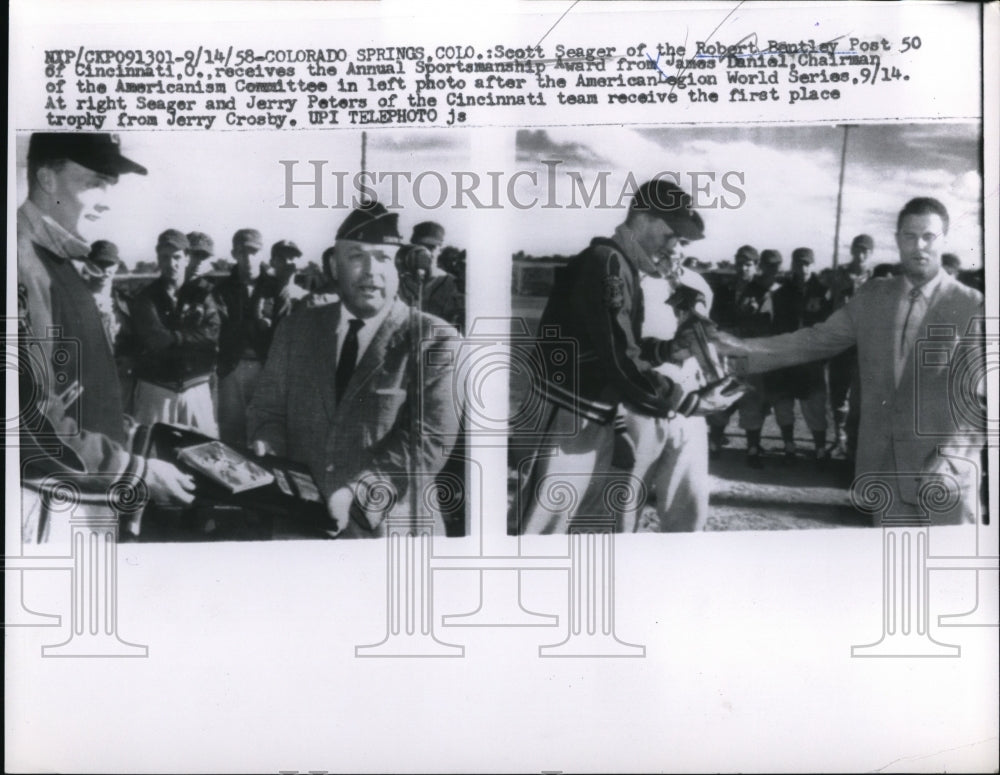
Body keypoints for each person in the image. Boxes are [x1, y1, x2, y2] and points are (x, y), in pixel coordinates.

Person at [717, 198, 985, 525]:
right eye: (909, 235)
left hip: (947, 479)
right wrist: (734, 352)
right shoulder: (873, 296)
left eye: (929, 236)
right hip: (884, 472)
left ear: (943, 239)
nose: (919, 245)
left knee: (949, 572)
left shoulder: (972, 305)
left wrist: (952, 457)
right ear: (897, 238)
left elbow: (982, 399)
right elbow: (811, 341)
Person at [511, 179, 742, 535]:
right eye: (673, 233)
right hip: (564, 414)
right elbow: (620, 359)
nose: (675, 246)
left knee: (585, 529)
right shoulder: (606, 263)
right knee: (540, 530)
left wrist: (667, 350)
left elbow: (620, 348)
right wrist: (690, 401)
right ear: (643, 217)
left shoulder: (621, 264)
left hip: (593, 414)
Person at [17, 132, 195, 542]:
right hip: (49, 512)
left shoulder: (56, 257)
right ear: (46, 178)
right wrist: (135, 470)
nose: (105, 198)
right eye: (93, 182)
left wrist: (134, 436)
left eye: (108, 185)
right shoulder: (23, 262)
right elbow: (29, 422)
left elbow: (74, 388)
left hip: (82, 497)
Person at [247, 201, 462, 538]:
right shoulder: (295, 330)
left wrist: (357, 494)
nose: (370, 271)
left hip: (391, 532)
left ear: (399, 268)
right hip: (299, 526)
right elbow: (267, 409)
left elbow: (430, 440)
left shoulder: (435, 339)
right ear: (333, 266)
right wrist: (266, 441)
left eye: (383, 258)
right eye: (356, 256)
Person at [130, 229, 221, 435]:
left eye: (177, 257)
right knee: (150, 454)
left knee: (203, 454)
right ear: (158, 259)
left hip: (196, 387)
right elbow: (156, 340)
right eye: (165, 257)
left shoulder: (202, 293)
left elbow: (212, 335)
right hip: (157, 389)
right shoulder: (145, 297)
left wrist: (176, 337)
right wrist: (192, 338)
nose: (172, 263)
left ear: (187, 258)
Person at [768, 247, 831, 463]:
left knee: (814, 406)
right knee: (784, 404)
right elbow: (775, 326)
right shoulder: (781, 292)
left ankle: (821, 450)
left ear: (813, 265)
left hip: (811, 358)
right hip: (786, 356)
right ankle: (789, 446)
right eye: (799, 263)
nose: (803, 268)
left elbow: (830, 325)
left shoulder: (823, 291)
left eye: (807, 263)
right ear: (793, 265)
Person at [214, 228, 269, 448]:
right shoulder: (222, 290)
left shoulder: (274, 288)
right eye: (242, 252)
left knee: (264, 433)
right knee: (230, 435)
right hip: (231, 369)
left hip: (265, 370)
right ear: (234, 254)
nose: (248, 258)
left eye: (253, 252)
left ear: (262, 254)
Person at [827, 233, 874, 458]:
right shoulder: (837, 275)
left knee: (861, 396)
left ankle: (856, 444)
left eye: (866, 250)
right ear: (852, 250)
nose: (861, 254)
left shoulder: (877, 279)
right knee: (838, 393)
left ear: (871, 253)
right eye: (858, 249)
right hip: (840, 343)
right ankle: (839, 439)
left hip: (864, 346)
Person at [398, 221, 464, 330]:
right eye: (420, 247)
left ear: (439, 250)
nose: (425, 252)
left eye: (431, 247)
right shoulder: (399, 280)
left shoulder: (451, 284)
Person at [252, 240, 311, 353]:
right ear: (272, 262)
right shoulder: (261, 294)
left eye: (292, 258)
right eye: (282, 258)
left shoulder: (304, 296)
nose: (289, 262)